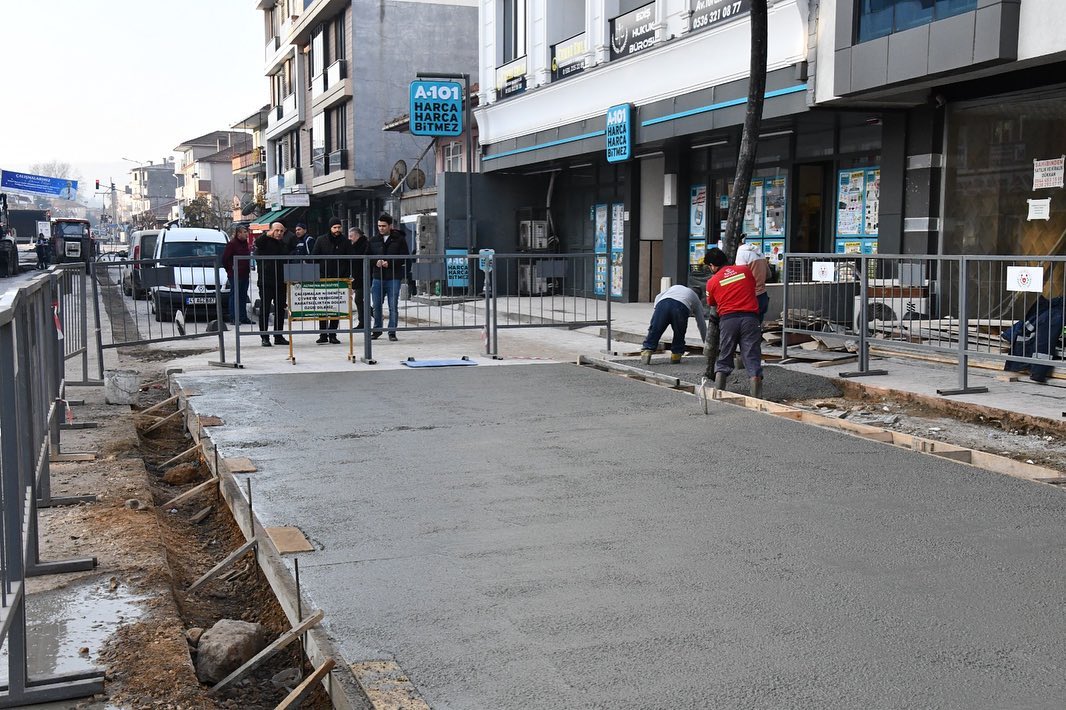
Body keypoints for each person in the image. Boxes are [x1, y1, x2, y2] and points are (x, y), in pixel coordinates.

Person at [704, 247, 763, 397]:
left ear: (712, 265)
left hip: (728, 320)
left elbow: (711, 302)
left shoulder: (712, 281)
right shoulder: (745, 271)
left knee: (726, 351)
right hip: (750, 318)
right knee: (751, 352)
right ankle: (755, 380)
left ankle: (719, 386)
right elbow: (752, 286)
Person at [639, 285, 707, 365]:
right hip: (680, 308)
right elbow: (701, 323)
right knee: (679, 333)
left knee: (655, 329)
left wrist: (656, 310)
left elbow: (658, 296)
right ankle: (676, 355)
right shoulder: (696, 298)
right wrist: (706, 343)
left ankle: (647, 351)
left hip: (663, 304)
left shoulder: (676, 287)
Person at [369, 212, 409, 341]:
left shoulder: (399, 239)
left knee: (393, 305)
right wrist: (376, 262)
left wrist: (390, 263)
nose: (381, 228)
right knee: (376, 305)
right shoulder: (373, 240)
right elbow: (366, 256)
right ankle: (377, 329)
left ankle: (392, 331)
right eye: (379, 226)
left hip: (393, 277)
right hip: (377, 277)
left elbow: (404, 257)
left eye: (384, 226)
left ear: (390, 226)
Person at [311, 218, 350, 344]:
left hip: (340, 278)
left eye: (339, 227)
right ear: (330, 228)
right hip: (323, 277)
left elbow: (350, 259)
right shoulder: (321, 240)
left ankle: (333, 333)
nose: (337, 230)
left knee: (336, 307)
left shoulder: (345, 241)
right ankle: (323, 334)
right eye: (335, 227)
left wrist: (347, 276)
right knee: (323, 307)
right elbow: (314, 257)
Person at [255, 221, 290, 347]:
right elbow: (257, 243)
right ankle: (264, 337)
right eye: (277, 230)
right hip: (266, 281)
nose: (279, 233)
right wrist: (266, 234)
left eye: (281, 231)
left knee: (280, 309)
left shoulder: (283, 244)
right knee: (265, 308)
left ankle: (278, 335)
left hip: (280, 281)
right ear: (271, 231)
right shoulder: (265, 242)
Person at [222, 225, 253, 325]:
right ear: (239, 233)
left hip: (244, 274)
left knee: (243, 296)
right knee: (234, 296)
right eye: (244, 232)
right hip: (235, 275)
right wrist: (230, 270)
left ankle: (243, 317)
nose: (246, 234)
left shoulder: (245, 244)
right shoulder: (232, 244)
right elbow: (225, 259)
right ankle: (233, 317)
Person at [734, 235, 770, 322]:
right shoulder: (759, 252)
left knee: (748, 330)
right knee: (757, 327)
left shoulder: (741, 253)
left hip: (750, 297)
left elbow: (740, 276)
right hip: (762, 295)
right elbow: (768, 274)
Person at [348, 227, 369, 330]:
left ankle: (365, 320)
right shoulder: (354, 246)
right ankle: (364, 320)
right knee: (360, 300)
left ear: (357, 235)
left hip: (364, 277)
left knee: (359, 299)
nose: (349, 238)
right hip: (359, 277)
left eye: (351, 236)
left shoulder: (363, 245)